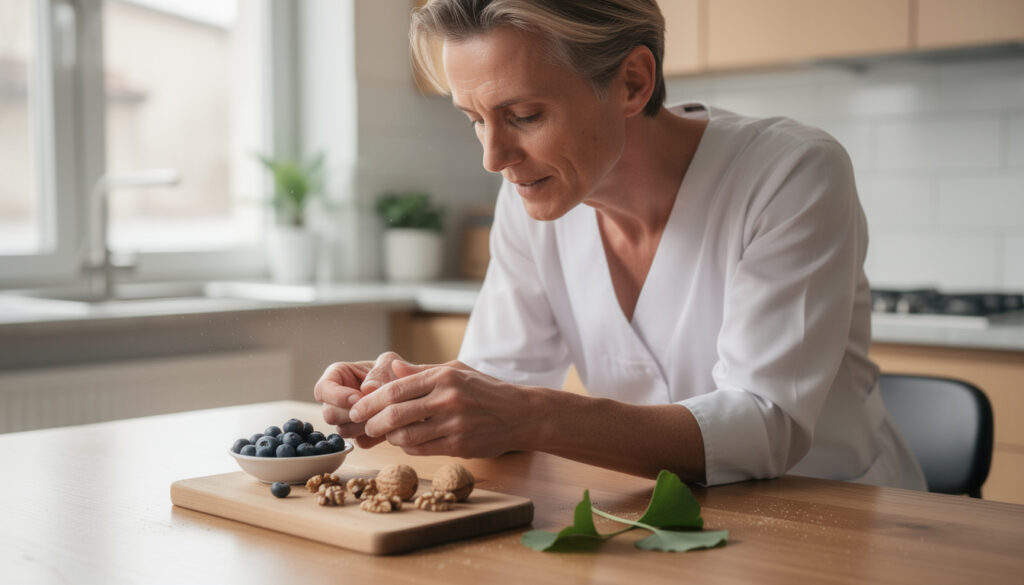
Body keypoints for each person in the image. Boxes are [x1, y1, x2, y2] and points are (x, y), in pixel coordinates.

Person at [314, 0, 926, 489]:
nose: (493, 157)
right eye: (475, 118)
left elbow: (766, 425)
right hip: (652, 521)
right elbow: (499, 381)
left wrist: (530, 413)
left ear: (632, 82)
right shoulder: (530, 198)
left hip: (833, 522)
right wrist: (406, 394)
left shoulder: (790, 174)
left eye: (524, 114)